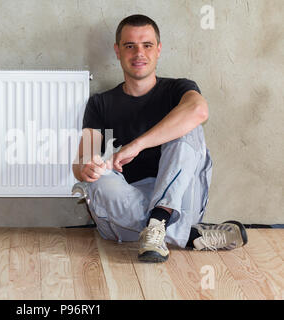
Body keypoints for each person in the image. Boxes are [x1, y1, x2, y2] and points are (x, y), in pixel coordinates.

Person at [72, 14, 247, 263]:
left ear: (159, 49)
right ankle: (183, 235)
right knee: (98, 180)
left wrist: (136, 145)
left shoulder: (179, 90)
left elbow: (199, 111)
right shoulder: (101, 103)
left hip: (181, 198)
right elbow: (80, 160)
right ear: (117, 51)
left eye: (147, 45)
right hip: (130, 201)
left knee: (189, 126)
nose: (138, 53)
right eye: (129, 45)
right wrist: (87, 167)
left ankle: (159, 222)